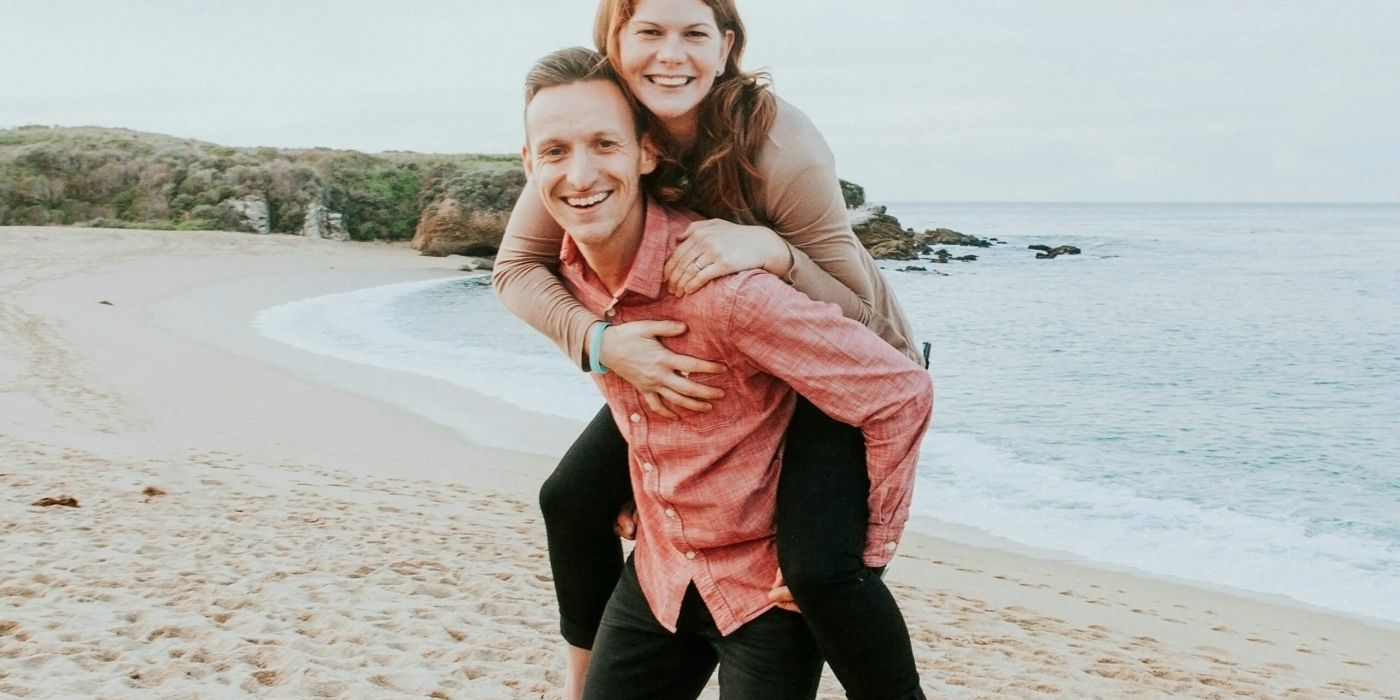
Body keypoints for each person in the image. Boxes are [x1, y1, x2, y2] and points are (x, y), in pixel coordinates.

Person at [494, 1, 930, 698]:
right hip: (731, 346)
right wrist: (602, 343)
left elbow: (862, 322)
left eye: (693, 33)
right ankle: (582, 678)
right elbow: (516, 268)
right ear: (613, 40)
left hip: (846, 352)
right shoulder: (589, 129)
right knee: (572, 499)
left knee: (819, 572)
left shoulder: (780, 143)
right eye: (649, 31)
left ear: (726, 46)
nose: (671, 54)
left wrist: (774, 252)